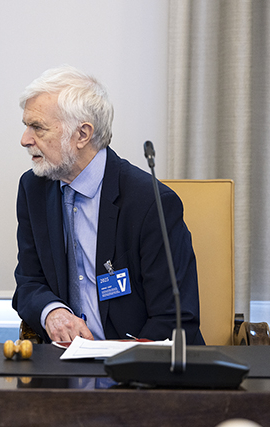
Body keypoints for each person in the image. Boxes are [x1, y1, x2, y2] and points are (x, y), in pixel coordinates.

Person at [12, 65, 204, 344]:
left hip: (142, 361)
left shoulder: (152, 203)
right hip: (67, 361)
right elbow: (29, 281)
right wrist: (52, 311)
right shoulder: (34, 189)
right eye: (26, 126)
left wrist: (117, 359)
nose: (25, 140)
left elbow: (174, 319)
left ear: (82, 134)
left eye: (37, 127)